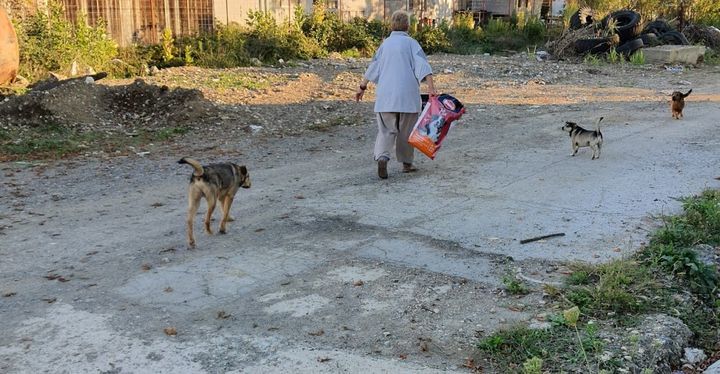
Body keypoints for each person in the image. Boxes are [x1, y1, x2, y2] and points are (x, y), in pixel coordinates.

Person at [355, 10, 437, 179]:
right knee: (406, 132)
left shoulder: (384, 45)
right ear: (408, 26)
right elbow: (423, 65)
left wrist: (362, 87)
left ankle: (383, 157)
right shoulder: (412, 43)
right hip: (407, 97)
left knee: (386, 130)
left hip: (386, 97)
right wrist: (431, 88)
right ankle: (407, 164)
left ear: (391, 25)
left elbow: (373, 67)